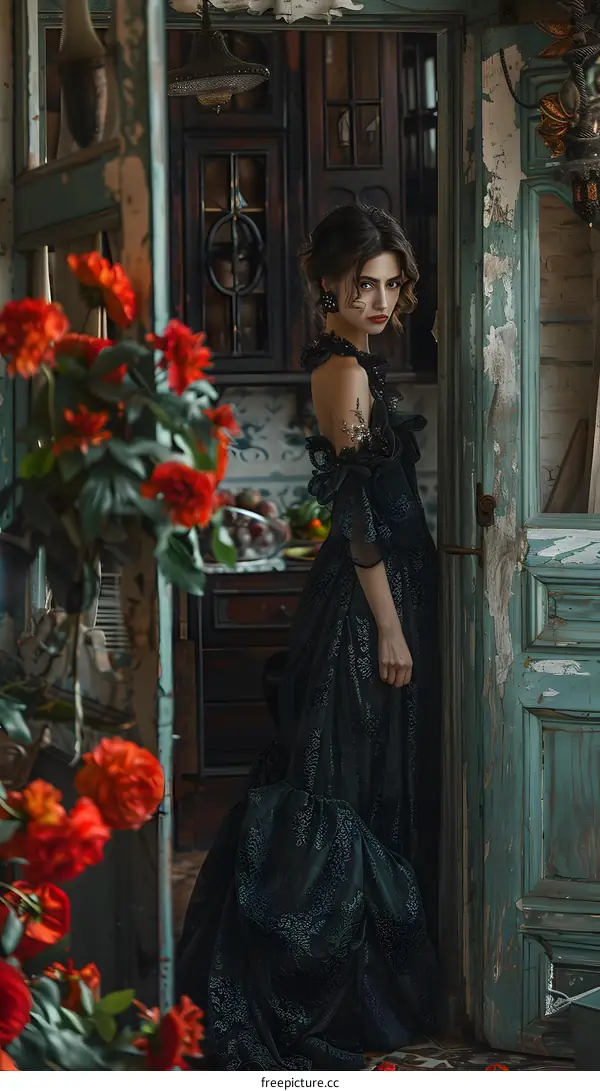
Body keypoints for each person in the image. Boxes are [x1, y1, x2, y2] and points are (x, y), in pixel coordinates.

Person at [177, 202, 440, 1071]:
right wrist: (392, 627)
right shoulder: (341, 371)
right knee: (337, 783)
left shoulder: (358, 362)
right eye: (363, 283)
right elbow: (356, 506)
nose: (380, 299)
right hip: (369, 608)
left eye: (392, 284)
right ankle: (306, 989)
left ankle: (366, 983)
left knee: (369, 784)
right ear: (328, 283)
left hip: (389, 591)